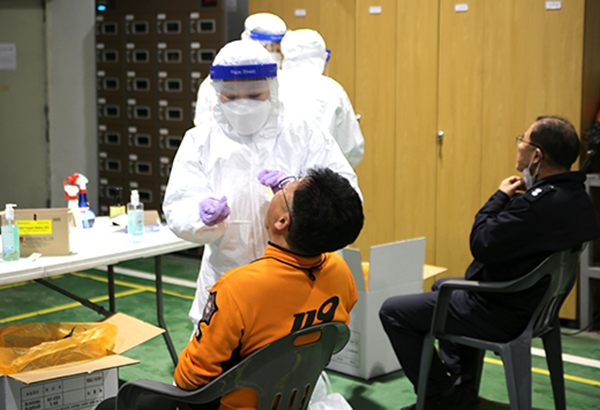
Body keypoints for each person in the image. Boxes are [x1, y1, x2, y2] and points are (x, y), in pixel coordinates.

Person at [379, 116, 600, 410]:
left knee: (394, 311)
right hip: (538, 308)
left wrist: (499, 197)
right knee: (442, 286)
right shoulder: (576, 198)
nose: (519, 144)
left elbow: (481, 243)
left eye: (523, 139)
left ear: (536, 155)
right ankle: (461, 386)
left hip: (502, 311)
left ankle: (440, 394)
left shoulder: (536, 205)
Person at [97, 167, 364, 410]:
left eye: (285, 189)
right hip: (293, 399)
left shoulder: (238, 288)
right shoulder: (340, 272)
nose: (280, 188)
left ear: (282, 221)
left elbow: (190, 378)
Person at [163, 40, 362, 329]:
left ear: (273, 88)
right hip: (227, 277)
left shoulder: (303, 133)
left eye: (255, 95)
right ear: (217, 94)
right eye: (231, 97)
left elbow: (345, 197)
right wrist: (200, 214)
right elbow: (178, 204)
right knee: (220, 364)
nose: (243, 106)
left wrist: (300, 193)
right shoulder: (200, 142)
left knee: (292, 363)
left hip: (295, 279)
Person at [278, 29, 365, 168]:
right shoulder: (332, 89)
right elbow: (352, 148)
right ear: (323, 58)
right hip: (321, 181)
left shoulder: (274, 84)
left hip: (276, 182)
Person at [193, 13, 287, 126]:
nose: (274, 54)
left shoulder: (283, 79)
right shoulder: (218, 83)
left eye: (278, 49)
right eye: (270, 47)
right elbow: (205, 126)